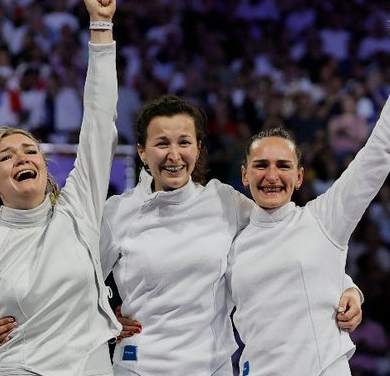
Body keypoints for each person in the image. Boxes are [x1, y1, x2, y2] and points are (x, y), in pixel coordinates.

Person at [100, 96, 362, 375]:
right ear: (142, 151)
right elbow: (79, 281)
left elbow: (287, 236)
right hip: (138, 367)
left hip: (213, 368)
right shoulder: (117, 213)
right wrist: (105, 318)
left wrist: (347, 288)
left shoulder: (223, 201)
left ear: (198, 149)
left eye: (184, 143)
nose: (174, 155)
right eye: (162, 143)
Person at [0, 0, 121, 376]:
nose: (22, 157)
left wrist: (100, 28)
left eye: (30, 150)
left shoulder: (78, 210)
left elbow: (99, 122)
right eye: (6, 156)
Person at [226, 94, 390, 375]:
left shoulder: (324, 219)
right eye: (261, 165)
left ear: (300, 177)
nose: (272, 175)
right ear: (244, 175)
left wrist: (348, 286)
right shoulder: (228, 241)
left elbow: (378, 153)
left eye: (283, 165)